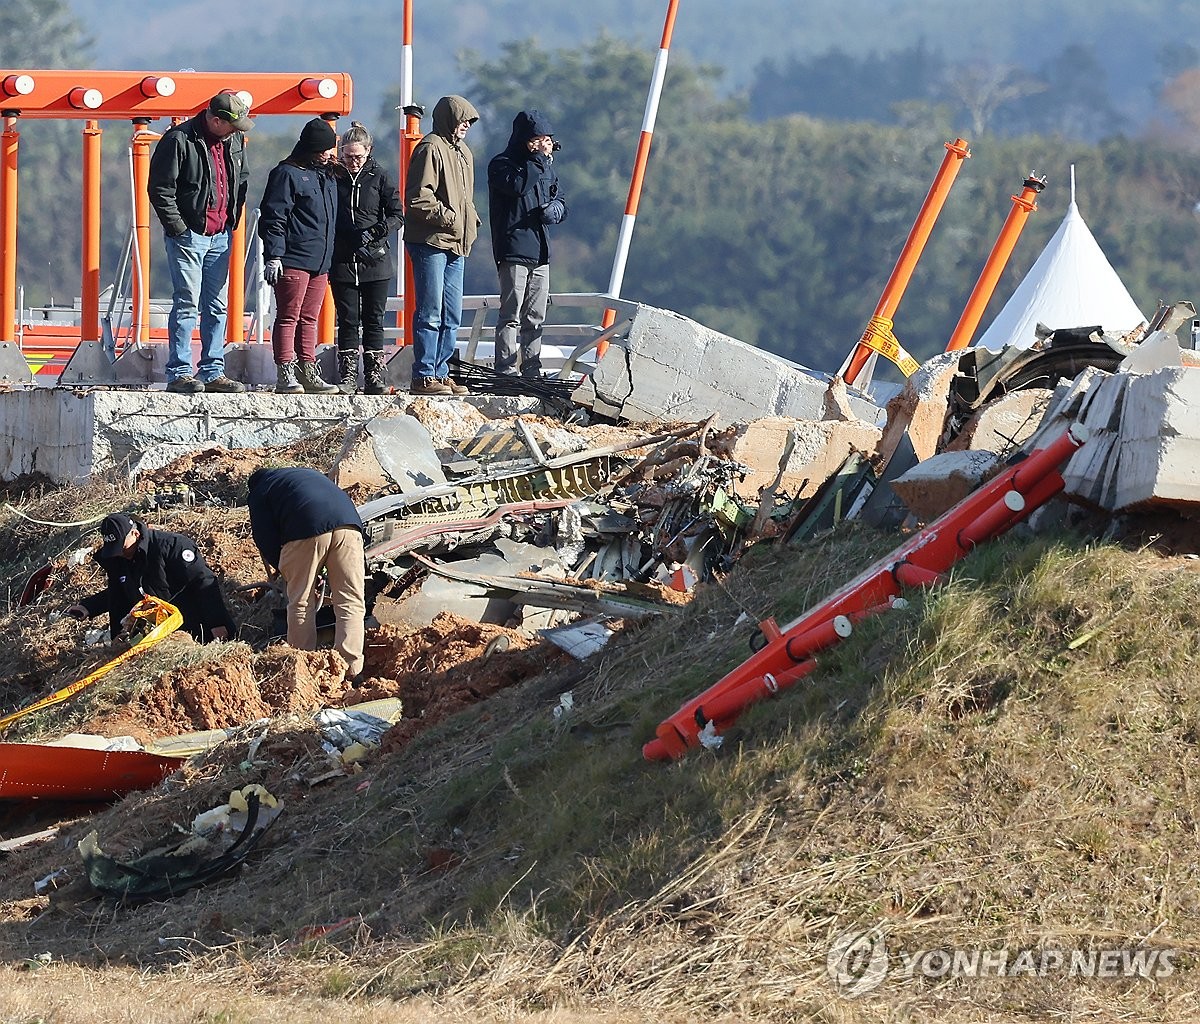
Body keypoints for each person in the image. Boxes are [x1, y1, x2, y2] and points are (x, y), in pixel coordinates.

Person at [148, 91, 252, 395]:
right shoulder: (179, 140)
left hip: (220, 235)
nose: (237, 131)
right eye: (233, 125)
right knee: (187, 303)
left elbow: (240, 181)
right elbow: (159, 188)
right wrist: (179, 228)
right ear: (216, 120)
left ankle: (212, 370)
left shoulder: (233, 142)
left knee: (217, 305)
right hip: (189, 236)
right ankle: (179, 372)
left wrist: (231, 219)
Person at [246, 466, 366, 678]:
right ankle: (351, 670)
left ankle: (302, 670)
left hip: (306, 529)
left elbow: (264, 537)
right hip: (350, 526)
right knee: (351, 601)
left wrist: (284, 569)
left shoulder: (259, 490)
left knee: (301, 602)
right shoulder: (302, 475)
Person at [404, 94, 481, 397]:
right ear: (450, 118)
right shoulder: (430, 148)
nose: (466, 125)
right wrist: (450, 219)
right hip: (431, 242)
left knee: (452, 315)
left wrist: (470, 221)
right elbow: (418, 197)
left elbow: (467, 200)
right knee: (430, 311)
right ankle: (424, 375)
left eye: (470, 121)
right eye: (462, 119)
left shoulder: (464, 153)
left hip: (457, 244)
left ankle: (441, 372)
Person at [258, 117, 341, 395]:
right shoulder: (286, 174)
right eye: (326, 150)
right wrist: (275, 255)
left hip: (320, 260)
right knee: (288, 316)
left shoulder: (327, 174)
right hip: (293, 257)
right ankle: (285, 371)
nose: (331, 154)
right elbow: (274, 218)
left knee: (309, 317)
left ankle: (308, 369)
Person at [65, 513, 235, 643]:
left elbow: (203, 583)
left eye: (122, 548)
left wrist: (217, 624)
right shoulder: (120, 558)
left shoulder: (172, 546)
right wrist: (89, 607)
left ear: (135, 535)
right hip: (156, 633)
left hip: (195, 627)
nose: (120, 554)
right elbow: (120, 591)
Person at [487, 110, 568, 379]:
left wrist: (555, 210)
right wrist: (539, 159)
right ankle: (506, 371)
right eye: (537, 139)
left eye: (546, 139)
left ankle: (532, 369)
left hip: (540, 251)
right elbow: (519, 186)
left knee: (535, 317)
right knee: (511, 314)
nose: (543, 144)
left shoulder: (545, 167)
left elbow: (561, 199)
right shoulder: (502, 165)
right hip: (513, 250)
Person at [330, 121, 404, 396]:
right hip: (343, 260)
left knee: (375, 318)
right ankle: (348, 373)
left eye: (358, 157)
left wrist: (378, 232)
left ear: (368, 151)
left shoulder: (380, 177)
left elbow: (397, 214)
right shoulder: (334, 177)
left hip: (375, 260)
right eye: (347, 157)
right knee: (347, 318)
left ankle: (374, 375)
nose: (352, 162)